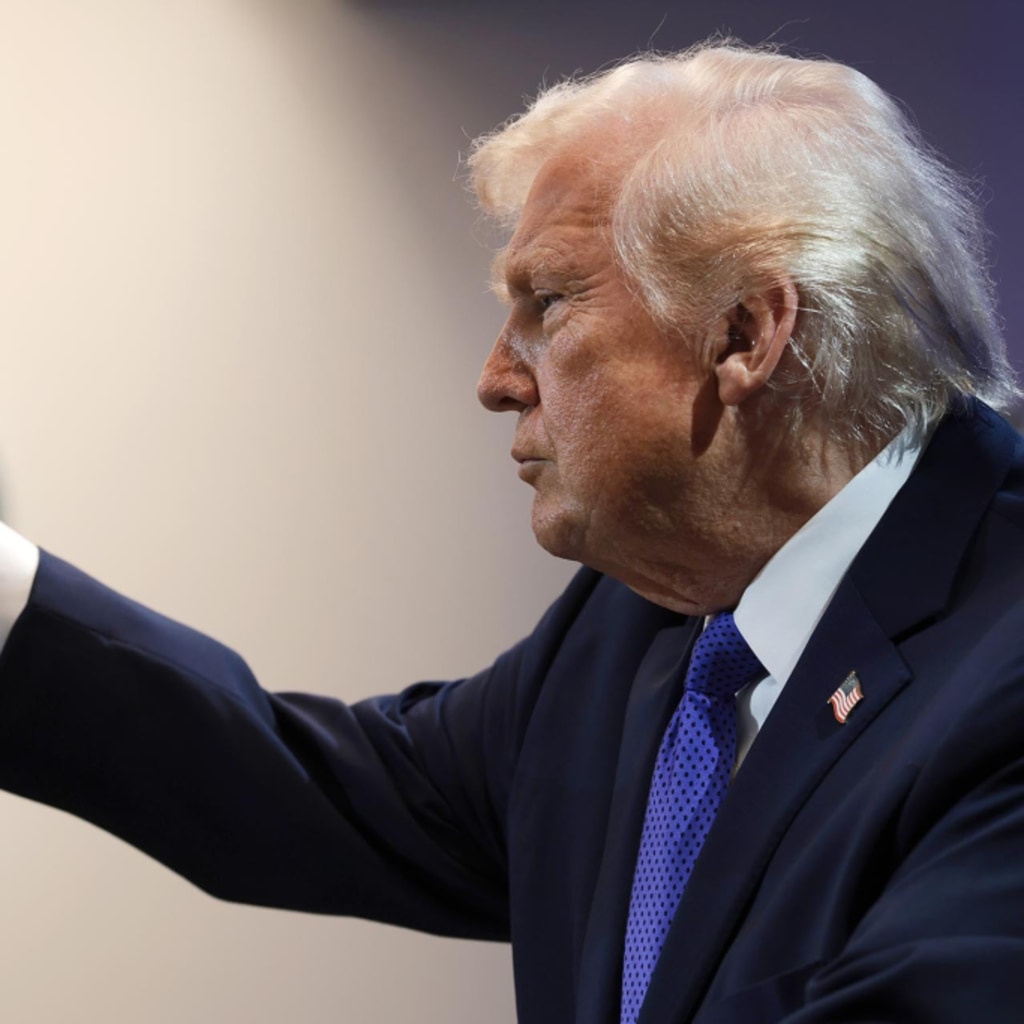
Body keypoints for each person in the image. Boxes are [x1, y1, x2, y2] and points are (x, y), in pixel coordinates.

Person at [0, 37, 1022, 1023]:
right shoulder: (638, 629)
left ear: (746, 333)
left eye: (548, 302)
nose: (494, 380)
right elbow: (309, 792)